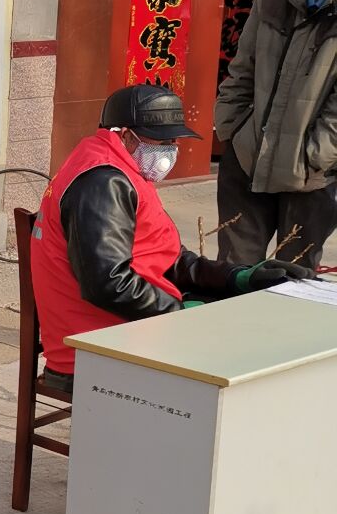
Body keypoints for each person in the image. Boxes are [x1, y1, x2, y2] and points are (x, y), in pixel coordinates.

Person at [31, 83, 302, 395]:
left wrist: (237, 278)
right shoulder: (103, 182)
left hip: (122, 329)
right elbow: (108, 283)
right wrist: (178, 314)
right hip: (97, 349)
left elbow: (168, 257)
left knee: (245, 320)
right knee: (252, 350)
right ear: (125, 135)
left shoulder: (119, 166)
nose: (170, 150)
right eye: (160, 141)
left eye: (173, 140)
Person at [213, 0, 337, 273]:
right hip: (248, 157)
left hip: (311, 177)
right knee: (232, 272)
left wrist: (313, 158)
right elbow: (242, 70)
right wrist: (232, 129)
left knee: (292, 276)